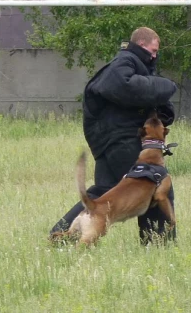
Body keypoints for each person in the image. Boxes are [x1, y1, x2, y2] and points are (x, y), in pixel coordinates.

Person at [49, 27, 178, 245]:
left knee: (104, 192)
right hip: (121, 140)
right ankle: (158, 246)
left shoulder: (134, 66)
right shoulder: (124, 62)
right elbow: (122, 86)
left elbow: (137, 97)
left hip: (108, 142)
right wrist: (167, 85)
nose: (156, 55)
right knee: (156, 186)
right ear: (142, 45)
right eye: (154, 50)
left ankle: (61, 237)